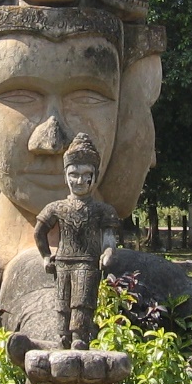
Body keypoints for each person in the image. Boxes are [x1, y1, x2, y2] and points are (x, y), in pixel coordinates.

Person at [32, 134, 120, 349]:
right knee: (62, 304)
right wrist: (45, 256)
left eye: (85, 175)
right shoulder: (57, 207)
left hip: (88, 263)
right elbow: (39, 232)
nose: (79, 181)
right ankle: (62, 338)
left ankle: (79, 338)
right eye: (74, 175)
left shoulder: (102, 210)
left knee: (82, 302)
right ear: (66, 177)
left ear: (94, 177)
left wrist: (108, 252)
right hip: (62, 262)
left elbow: (109, 238)